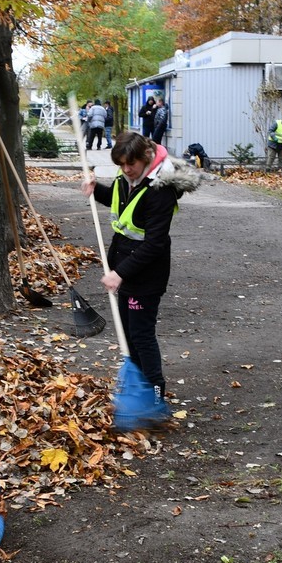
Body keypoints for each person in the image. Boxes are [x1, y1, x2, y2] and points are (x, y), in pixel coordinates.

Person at [80, 132, 200, 423]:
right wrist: (96, 189)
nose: (125, 169)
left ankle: (155, 397)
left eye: (130, 163)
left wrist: (120, 273)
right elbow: (120, 200)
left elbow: (155, 243)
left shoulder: (161, 191)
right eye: (120, 164)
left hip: (145, 274)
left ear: (145, 158)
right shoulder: (128, 179)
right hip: (125, 267)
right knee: (128, 335)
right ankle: (138, 392)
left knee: (141, 335)